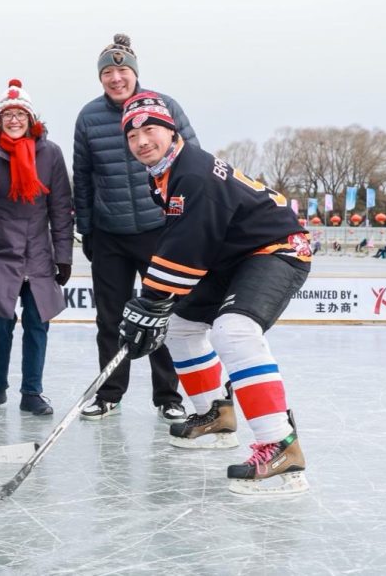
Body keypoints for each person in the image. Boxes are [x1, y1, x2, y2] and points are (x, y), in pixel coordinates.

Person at [117, 92, 310, 495]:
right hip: (234, 257)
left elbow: (189, 242)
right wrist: (157, 304)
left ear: (171, 131)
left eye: (150, 129)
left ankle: (281, 445)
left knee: (234, 331)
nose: (141, 141)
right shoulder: (166, 172)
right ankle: (215, 414)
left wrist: (151, 298)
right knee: (180, 325)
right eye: (132, 135)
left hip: (277, 248)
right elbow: (183, 240)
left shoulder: (192, 172)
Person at [72, 34, 196, 423]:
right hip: (110, 233)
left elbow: (191, 162)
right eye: (107, 72)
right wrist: (88, 230)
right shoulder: (88, 117)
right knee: (110, 319)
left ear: (135, 73)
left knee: (160, 313)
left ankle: (168, 396)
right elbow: (83, 177)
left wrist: (187, 220)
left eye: (122, 70)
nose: (115, 78)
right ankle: (110, 393)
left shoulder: (164, 106)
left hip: (159, 230)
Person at [0, 80, 73, 416]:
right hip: (1, 252)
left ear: (30, 118)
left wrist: (64, 256)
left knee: (38, 322)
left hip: (39, 252)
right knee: (0, 321)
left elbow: (60, 209)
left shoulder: (51, 154)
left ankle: (32, 392)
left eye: (19, 113)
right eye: (7, 114)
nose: (14, 120)